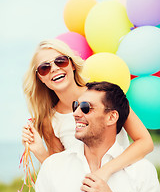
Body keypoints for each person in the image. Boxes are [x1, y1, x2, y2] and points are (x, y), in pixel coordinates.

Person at [22, 38, 153, 181]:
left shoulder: (106, 93)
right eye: (44, 68)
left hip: (125, 185)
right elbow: (59, 173)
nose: (54, 68)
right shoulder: (50, 120)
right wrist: (40, 152)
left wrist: (106, 171)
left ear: (72, 64)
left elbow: (145, 142)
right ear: (40, 78)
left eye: (60, 61)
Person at [31, 81, 160, 192]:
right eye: (76, 106)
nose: (75, 113)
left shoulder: (142, 171)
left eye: (86, 108)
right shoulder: (52, 166)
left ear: (111, 117)